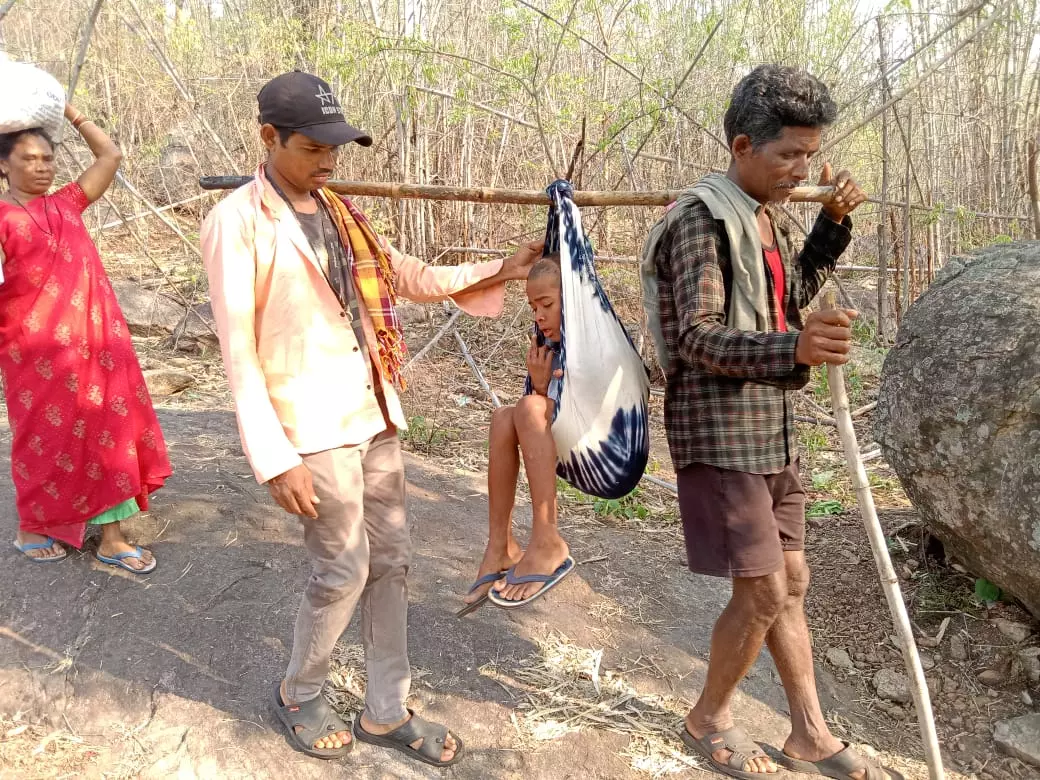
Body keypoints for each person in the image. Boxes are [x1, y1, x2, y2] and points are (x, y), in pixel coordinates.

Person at [200, 70, 540, 766]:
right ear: (268, 138)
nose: (327, 159)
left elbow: (399, 273)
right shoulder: (236, 223)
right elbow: (238, 351)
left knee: (392, 563)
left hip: (372, 410)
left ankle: (386, 710)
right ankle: (300, 691)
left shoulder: (338, 211)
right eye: (312, 147)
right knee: (343, 570)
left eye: (335, 147)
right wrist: (276, 457)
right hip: (312, 426)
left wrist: (499, 270)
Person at [652, 65, 899, 780]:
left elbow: (783, 302)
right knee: (761, 589)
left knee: (790, 578)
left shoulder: (760, 215)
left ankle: (809, 734)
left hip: (771, 428)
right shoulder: (701, 220)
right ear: (742, 146)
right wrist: (795, 348)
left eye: (811, 156)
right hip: (722, 432)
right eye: (790, 154)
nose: (803, 170)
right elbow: (697, 338)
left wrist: (831, 226)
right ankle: (707, 719)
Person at [0, 103, 171, 573]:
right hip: (36, 354)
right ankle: (33, 526)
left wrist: (68, 111)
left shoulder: (67, 203)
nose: (42, 167)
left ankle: (112, 538)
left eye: (48, 158)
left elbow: (110, 155)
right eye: (29, 159)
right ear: (3, 165)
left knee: (110, 433)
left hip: (97, 347)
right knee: (44, 438)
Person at [461, 254, 574, 613]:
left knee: (527, 407)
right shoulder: (549, 347)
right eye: (533, 308)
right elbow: (542, 415)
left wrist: (539, 398)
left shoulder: (594, 339)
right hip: (564, 430)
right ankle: (501, 546)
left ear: (573, 300)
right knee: (502, 417)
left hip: (603, 442)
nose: (539, 315)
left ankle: (547, 539)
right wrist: (541, 385)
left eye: (547, 305)